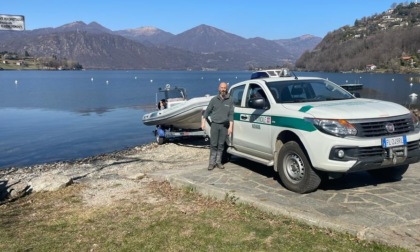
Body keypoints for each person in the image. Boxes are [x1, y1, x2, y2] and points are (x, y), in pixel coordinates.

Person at [201, 82, 234, 170]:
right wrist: (203, 122)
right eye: (221, 87)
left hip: (224, 126)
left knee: (221, 145)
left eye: (224, 88)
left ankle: (218, 162)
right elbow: (207, 111)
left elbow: (231, 114)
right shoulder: (214, 100)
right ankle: (211, 163)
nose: (223, 89)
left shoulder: (230, 100)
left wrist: (230, 127)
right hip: (215, 125)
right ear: (219, 88)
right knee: (213, 144)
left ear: (226, 89)